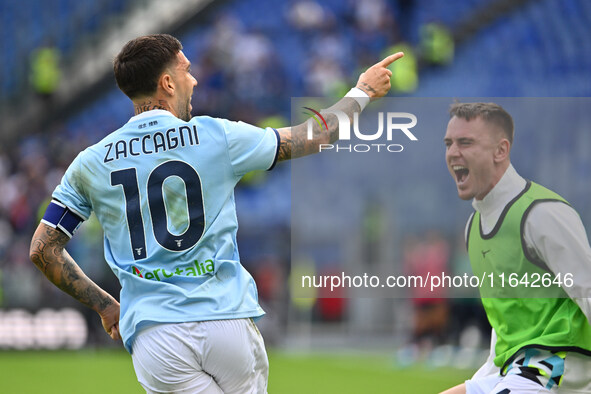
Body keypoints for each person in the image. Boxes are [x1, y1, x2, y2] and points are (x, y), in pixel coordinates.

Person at [28, 33, 403, 393]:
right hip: (226, 322)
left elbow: (43, 250)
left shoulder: (91, 162)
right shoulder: (216, 137)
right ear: (167, 83)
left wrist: (105, 305)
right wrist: (362, 93)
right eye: (186, 70)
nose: (192, 80)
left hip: (155, 333)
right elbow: (314, 136)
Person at [441, 102, 591, 394]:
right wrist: (484, 378)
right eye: (449, 143)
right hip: (518, 369)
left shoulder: (542, 213)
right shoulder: (473, 227)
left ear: (501, 150)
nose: (452, 153)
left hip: (559, 362)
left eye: (466, 142)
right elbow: (505, 323)